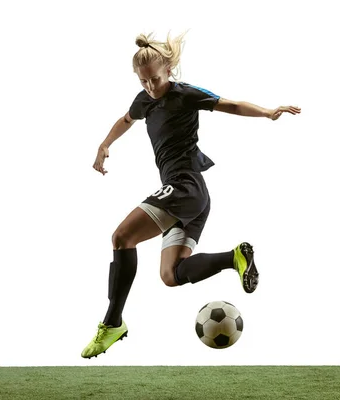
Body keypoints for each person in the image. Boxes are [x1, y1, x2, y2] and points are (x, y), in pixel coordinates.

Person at [81, 31, 301, 358]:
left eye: (154, 79)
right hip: (194, 199)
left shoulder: (185, 94)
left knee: (122, 237)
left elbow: (231, 104)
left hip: (185, 186)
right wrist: (104, 145)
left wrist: (268, 112)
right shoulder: (144, 101)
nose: (150, 87)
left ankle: (112, 323)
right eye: (143, 82)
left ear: (169, 70)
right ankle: (234, 258)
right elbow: (126, 119)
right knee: (171, 275)